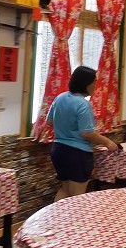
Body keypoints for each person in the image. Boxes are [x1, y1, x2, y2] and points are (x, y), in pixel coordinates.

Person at [47, 65, 118, 201]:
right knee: (76, 196)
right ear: (86, 83)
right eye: (94, 82)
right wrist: (108, 142)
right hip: (77, 154)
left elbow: (50, 121)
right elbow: (86, 133)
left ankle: (56, 215)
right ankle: (73, 216)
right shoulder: (83, 104)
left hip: (58, 150)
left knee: (65, 189)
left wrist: (66, 129)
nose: (95, 86)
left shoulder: (60, 98)